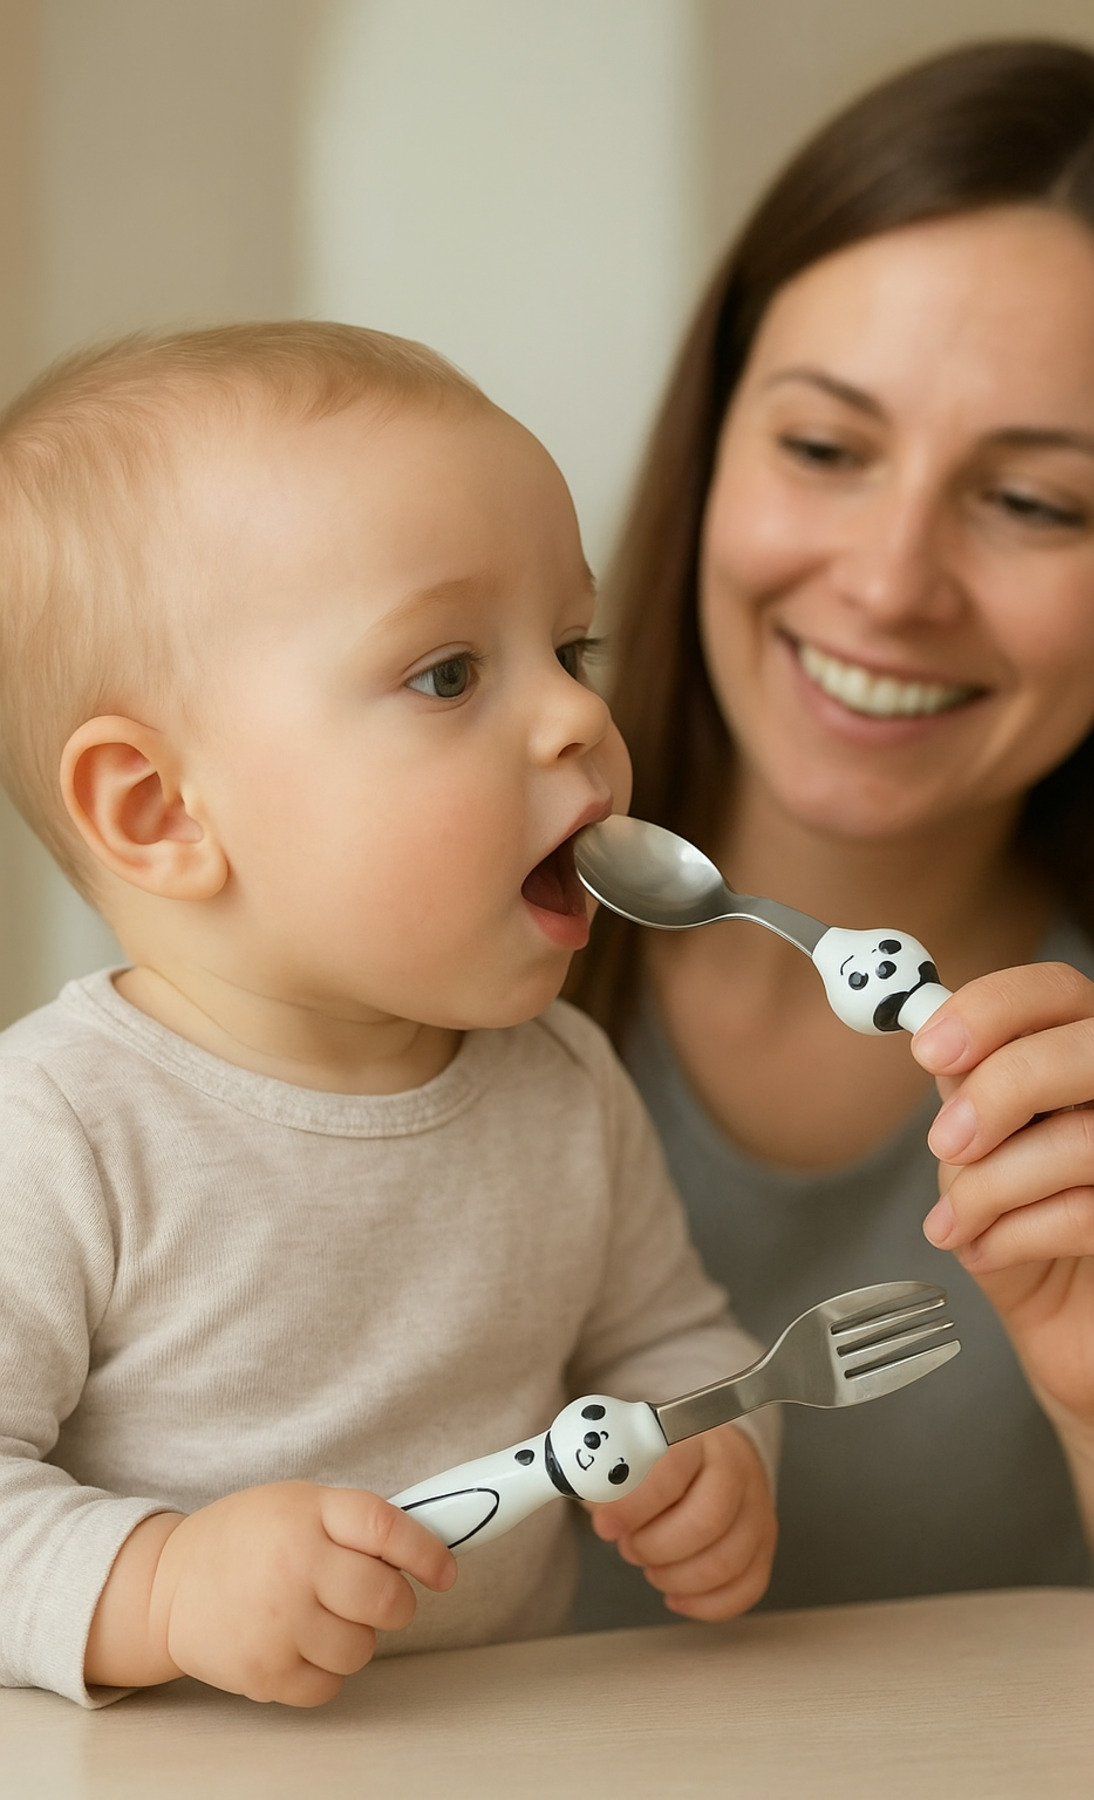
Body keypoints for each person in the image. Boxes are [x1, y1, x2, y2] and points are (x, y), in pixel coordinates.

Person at [0, 321, 778, 1709]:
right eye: (448, 675)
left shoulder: (562, 1083)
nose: (575, 722)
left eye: (570, 647)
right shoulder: (62, 1129)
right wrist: (164, 1585)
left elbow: (675, 1342)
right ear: (162, 811)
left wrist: (714, 1446)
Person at [568, 38, 1094, 1627]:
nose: (892, 580)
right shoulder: (373, 945)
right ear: (712, 446)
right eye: (826, 449)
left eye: (1035, 502)